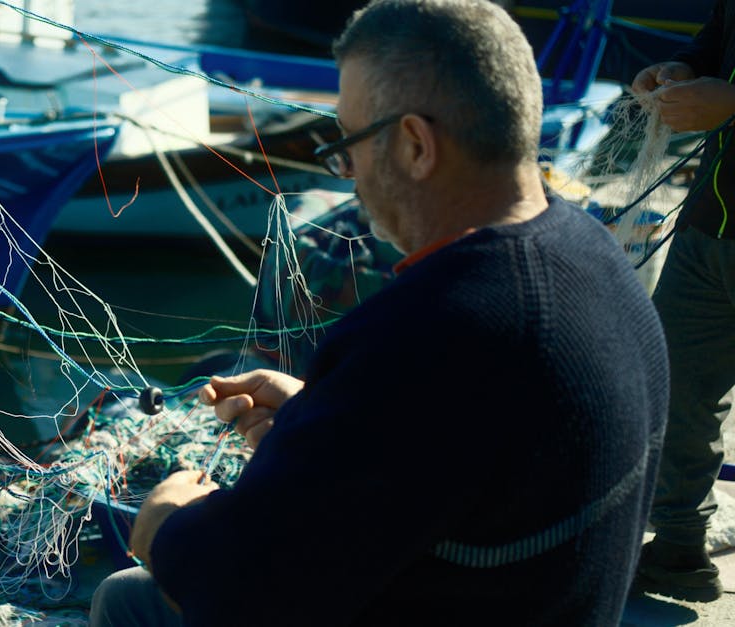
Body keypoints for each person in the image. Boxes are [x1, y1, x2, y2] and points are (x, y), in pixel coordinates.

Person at [89, 1, 668, 625]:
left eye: (350, 145)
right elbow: (451, 450)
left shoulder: (432, 331)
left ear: (417, 145)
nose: (348, 174)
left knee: (128, 597)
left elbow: (244, 587)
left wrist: (165, 527)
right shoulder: (596, 256)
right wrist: (324, 414)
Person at [628, 0, 735, 604]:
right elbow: (720, 33)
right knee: (677, 390)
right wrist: (680, 69)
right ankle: (678, 548)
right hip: (711, 227)